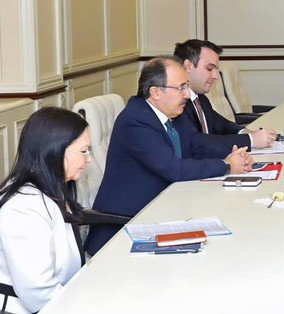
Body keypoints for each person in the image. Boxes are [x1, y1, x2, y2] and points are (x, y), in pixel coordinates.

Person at [86, 57, 253, 256]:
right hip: (127, 226)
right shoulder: (136, 120)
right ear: (156, 92)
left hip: (163, 207)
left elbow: (196, 145)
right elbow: (174, 169)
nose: (187, 94)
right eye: (181, 88)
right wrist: (226, 166)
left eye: (187, 86)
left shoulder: (171, 113)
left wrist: (236, 155)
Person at [0, 107, 90, 313]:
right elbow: (38, 295)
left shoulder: (53, 187)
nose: (89, 159)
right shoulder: (23, 208)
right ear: (55, 150)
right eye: (84, 151)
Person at [173, 39, 277, 149]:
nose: (215, 76)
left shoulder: (200, 99)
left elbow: (222, 125)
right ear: (188, 66)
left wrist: (245, 132)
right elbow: (197, 142)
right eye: (209, 68)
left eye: (216, 69)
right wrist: (250, 140)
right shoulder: (176, 102)